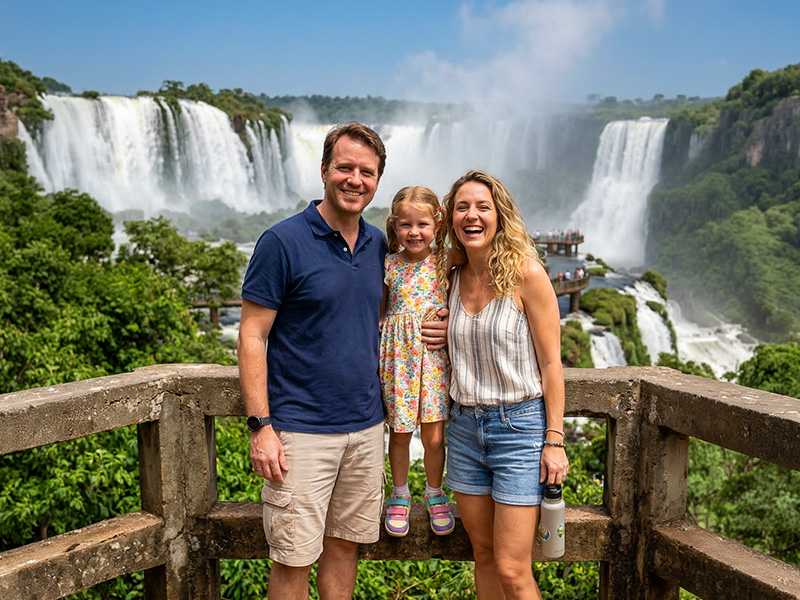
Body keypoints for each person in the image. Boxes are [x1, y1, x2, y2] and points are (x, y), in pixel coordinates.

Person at [238, 122, 448, 600]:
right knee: (292, 558)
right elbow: (252, 336)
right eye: (345, 168)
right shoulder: (282, 241)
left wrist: (443, 323)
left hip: (368, 428)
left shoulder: (381, 246)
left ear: (378, 181)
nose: (355, 180)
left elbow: (402, 306)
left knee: (344, 549)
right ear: (324, 171)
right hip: (300, 433)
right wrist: (260, 426)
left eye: (367, 172)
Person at [435, 170, 569, 600]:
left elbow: (551, 363)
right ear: (450, 218)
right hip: (464, 431)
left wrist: (555, 439)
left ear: (500, 216)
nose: (471, 216)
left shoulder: (526, 276)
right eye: (461, 207)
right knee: (485, 556)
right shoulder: (449, 279)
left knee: (513, 569)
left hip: (520, 431)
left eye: (482, 207)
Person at [381, 186, 454, 538]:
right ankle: (400, 494)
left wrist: (450, 318)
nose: (414, 232)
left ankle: (435, 493)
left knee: (435, 437)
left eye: (422, 224)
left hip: (433, 360)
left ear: (437, 224)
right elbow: (380, 312)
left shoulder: (447, 260)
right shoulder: (388, 264)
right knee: (399, 433)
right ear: (394, 226)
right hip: (398, 359)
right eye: (406, 225)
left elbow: (471, 293)